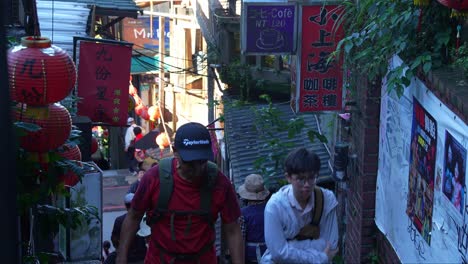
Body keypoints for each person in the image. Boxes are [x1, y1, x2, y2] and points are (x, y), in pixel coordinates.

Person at [116, 122, 244, 264]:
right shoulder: (154, 178)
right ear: (175, 151)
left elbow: (232, 229)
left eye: (202, 161)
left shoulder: (219, 183)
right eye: (190, 162)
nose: (197, 169)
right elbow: (134, 216)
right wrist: (121, 257)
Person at [261, 147, 339, 263]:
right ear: (288, 177)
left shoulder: (326, 199)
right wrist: (319, 257)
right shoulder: (275, 207)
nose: (307, 184)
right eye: (301, 179)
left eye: (311, 178)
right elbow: (278, 253)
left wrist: (290, 246)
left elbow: (330, 245)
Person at [238, 174, 270, 263]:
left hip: (252, 258)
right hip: (272, 255)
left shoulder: (243, 214)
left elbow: (241, 240)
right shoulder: (272, 208)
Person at [111, 193, 147, 264]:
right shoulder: (144, 218)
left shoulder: (119, 220)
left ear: (126, 206)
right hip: (144, 258)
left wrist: (120, 251)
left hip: (127, 258)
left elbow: (114, 240)